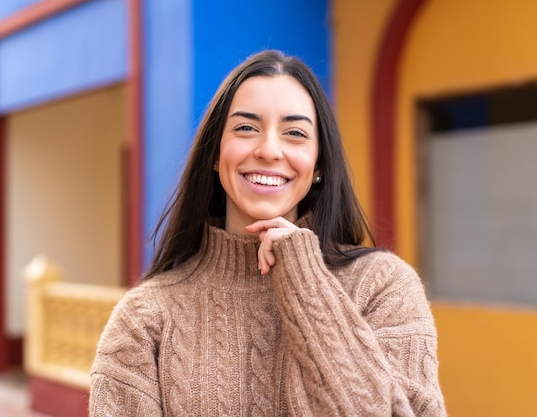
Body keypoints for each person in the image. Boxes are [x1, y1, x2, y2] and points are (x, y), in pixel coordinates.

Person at [89, 50, 446, 416]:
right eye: (246, 127)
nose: (269, 150)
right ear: (215, 153)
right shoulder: (146, 315)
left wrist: (306, 281)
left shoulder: (382, 287)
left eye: (295, 133)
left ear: (319, 164)